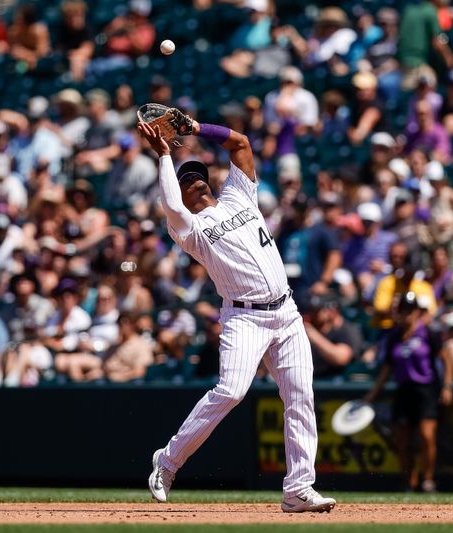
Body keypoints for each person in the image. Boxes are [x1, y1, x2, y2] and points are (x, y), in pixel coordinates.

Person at [138, 111, 335, 511]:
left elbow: (240, 143)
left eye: (197, 173)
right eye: (186, 176)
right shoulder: (189, 229)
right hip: (244, 317)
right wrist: (163, 157)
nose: (194, 178)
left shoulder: (238, 195)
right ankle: (168, 460)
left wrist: (195, 129)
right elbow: (172, 207)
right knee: (231, 390)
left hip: (287, 312)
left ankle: (298, 488)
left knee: (300, 396)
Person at [363, 291, 453, 492]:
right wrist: (373, 393)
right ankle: (409, 481)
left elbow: (446, 358)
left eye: (410, 310)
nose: (406, 315)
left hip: (426, 389)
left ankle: (428, 480)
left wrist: (447, 386)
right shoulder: (394, 337)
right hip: (404, 390)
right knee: (401, 439)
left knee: (427, 435)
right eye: (402, 310)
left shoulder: (428, 333)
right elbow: (387, 369)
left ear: (417, 312)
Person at [304, 295, 363, 379]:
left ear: (332, 311)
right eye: (312, 310)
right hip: (314, 379)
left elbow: (341, 358)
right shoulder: (317, 328)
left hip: (339, 383)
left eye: (317, 311)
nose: (312, 314)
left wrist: (313, 335)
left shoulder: (347, 331)